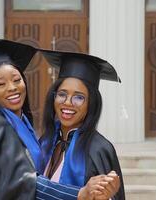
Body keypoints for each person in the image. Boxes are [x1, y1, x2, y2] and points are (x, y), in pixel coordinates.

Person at [0, 37, 117, 200]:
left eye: (17, 80)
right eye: (0, 84)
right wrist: (79, 194)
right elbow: (20, 181)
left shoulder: (97, 148)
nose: (12, 88)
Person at [38, 49, 126, 200]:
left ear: (91, 103)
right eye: (62, 94)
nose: (67, 103)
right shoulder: (46, 141)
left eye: (79, 97)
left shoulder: (99, 149)